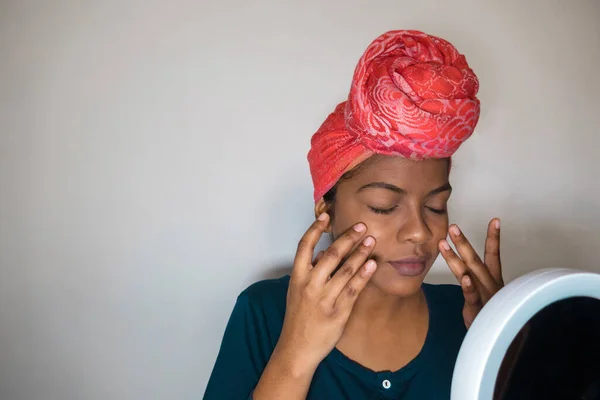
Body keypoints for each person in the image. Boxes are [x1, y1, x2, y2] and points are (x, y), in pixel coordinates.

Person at [204, 29, 505, 399]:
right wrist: (295, 356)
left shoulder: (470, 317)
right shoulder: (265, 313)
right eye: (384, 205)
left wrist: (508, 342)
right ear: (326, 211)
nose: (419, 232)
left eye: (435, 206)